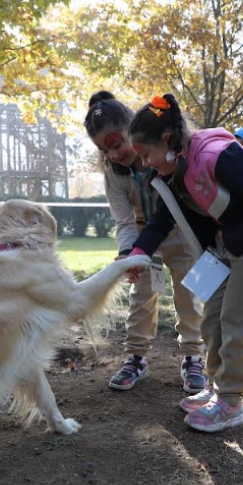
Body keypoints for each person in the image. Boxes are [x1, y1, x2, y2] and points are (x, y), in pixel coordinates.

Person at [124, 93, 243, 432]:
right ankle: (216, 388)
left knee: (235, 322)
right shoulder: (175, 171)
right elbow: (162, 220)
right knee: (211, 318)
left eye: (145, 154)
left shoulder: (216, 154)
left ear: (167, 140)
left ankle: (231, 402)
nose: (144, 163)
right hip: (224, 247)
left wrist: (233, 243)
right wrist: (138, 252)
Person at [84, 91, 207, 394]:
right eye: (104, 150)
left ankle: (193, 357)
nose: (113, 155)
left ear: (133, 129)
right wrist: (128, 255)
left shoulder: (162, 153)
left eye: (116, 144)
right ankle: (135, 358)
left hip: (179, 232)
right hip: (141, 239)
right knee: (141, 297)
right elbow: (124, 220)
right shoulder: (113, 172)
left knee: (188, 294)